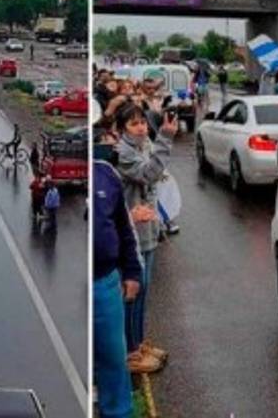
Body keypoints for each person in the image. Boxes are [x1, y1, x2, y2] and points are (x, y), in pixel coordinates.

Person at [114, 102, 175, 374]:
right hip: (132, 235)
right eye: (133, 123)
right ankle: (130, 352)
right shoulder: (123, 153)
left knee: (145, 290)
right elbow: (149, 172)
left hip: (148, 231)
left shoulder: (145, 145)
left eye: (142, 122)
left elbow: (157, 178)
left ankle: (138, 343)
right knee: (133, 292)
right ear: (122, 129)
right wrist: (166, 138)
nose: (140, 127)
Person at [93, 158, 143, 418]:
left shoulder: (105, 173)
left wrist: (133, 272)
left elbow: (125, 228)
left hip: (105, 283)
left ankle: (118, 412)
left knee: (113, 357)